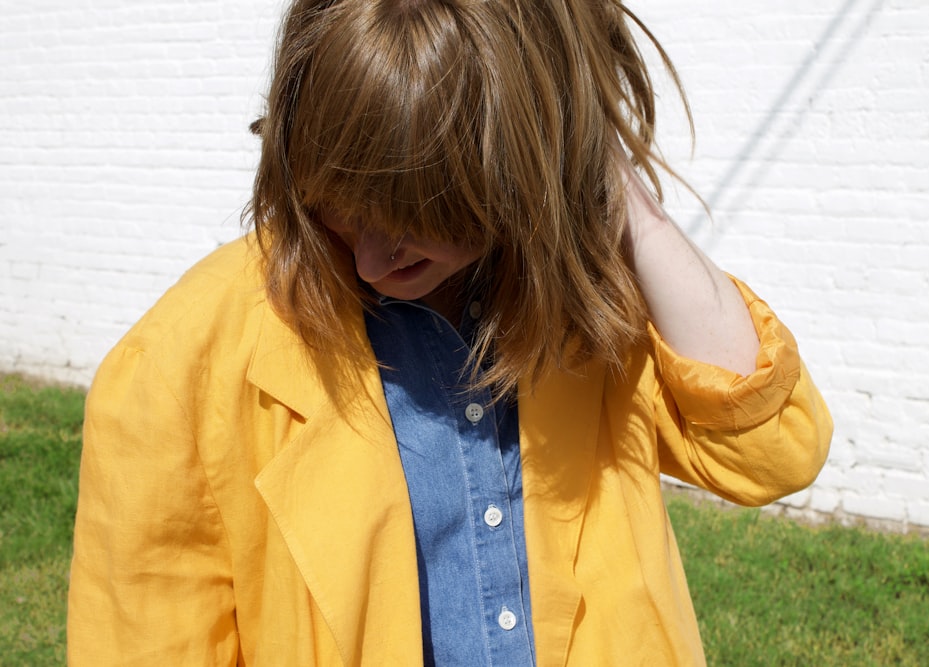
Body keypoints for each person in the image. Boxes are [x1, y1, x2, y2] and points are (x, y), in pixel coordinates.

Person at [67, 0, 833, 664]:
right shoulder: (175, 371)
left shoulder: (586, 302)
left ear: (518, 174)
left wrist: (609, 179)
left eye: (419, 225)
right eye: (340, 203)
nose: (369, 259)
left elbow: (769, 452)